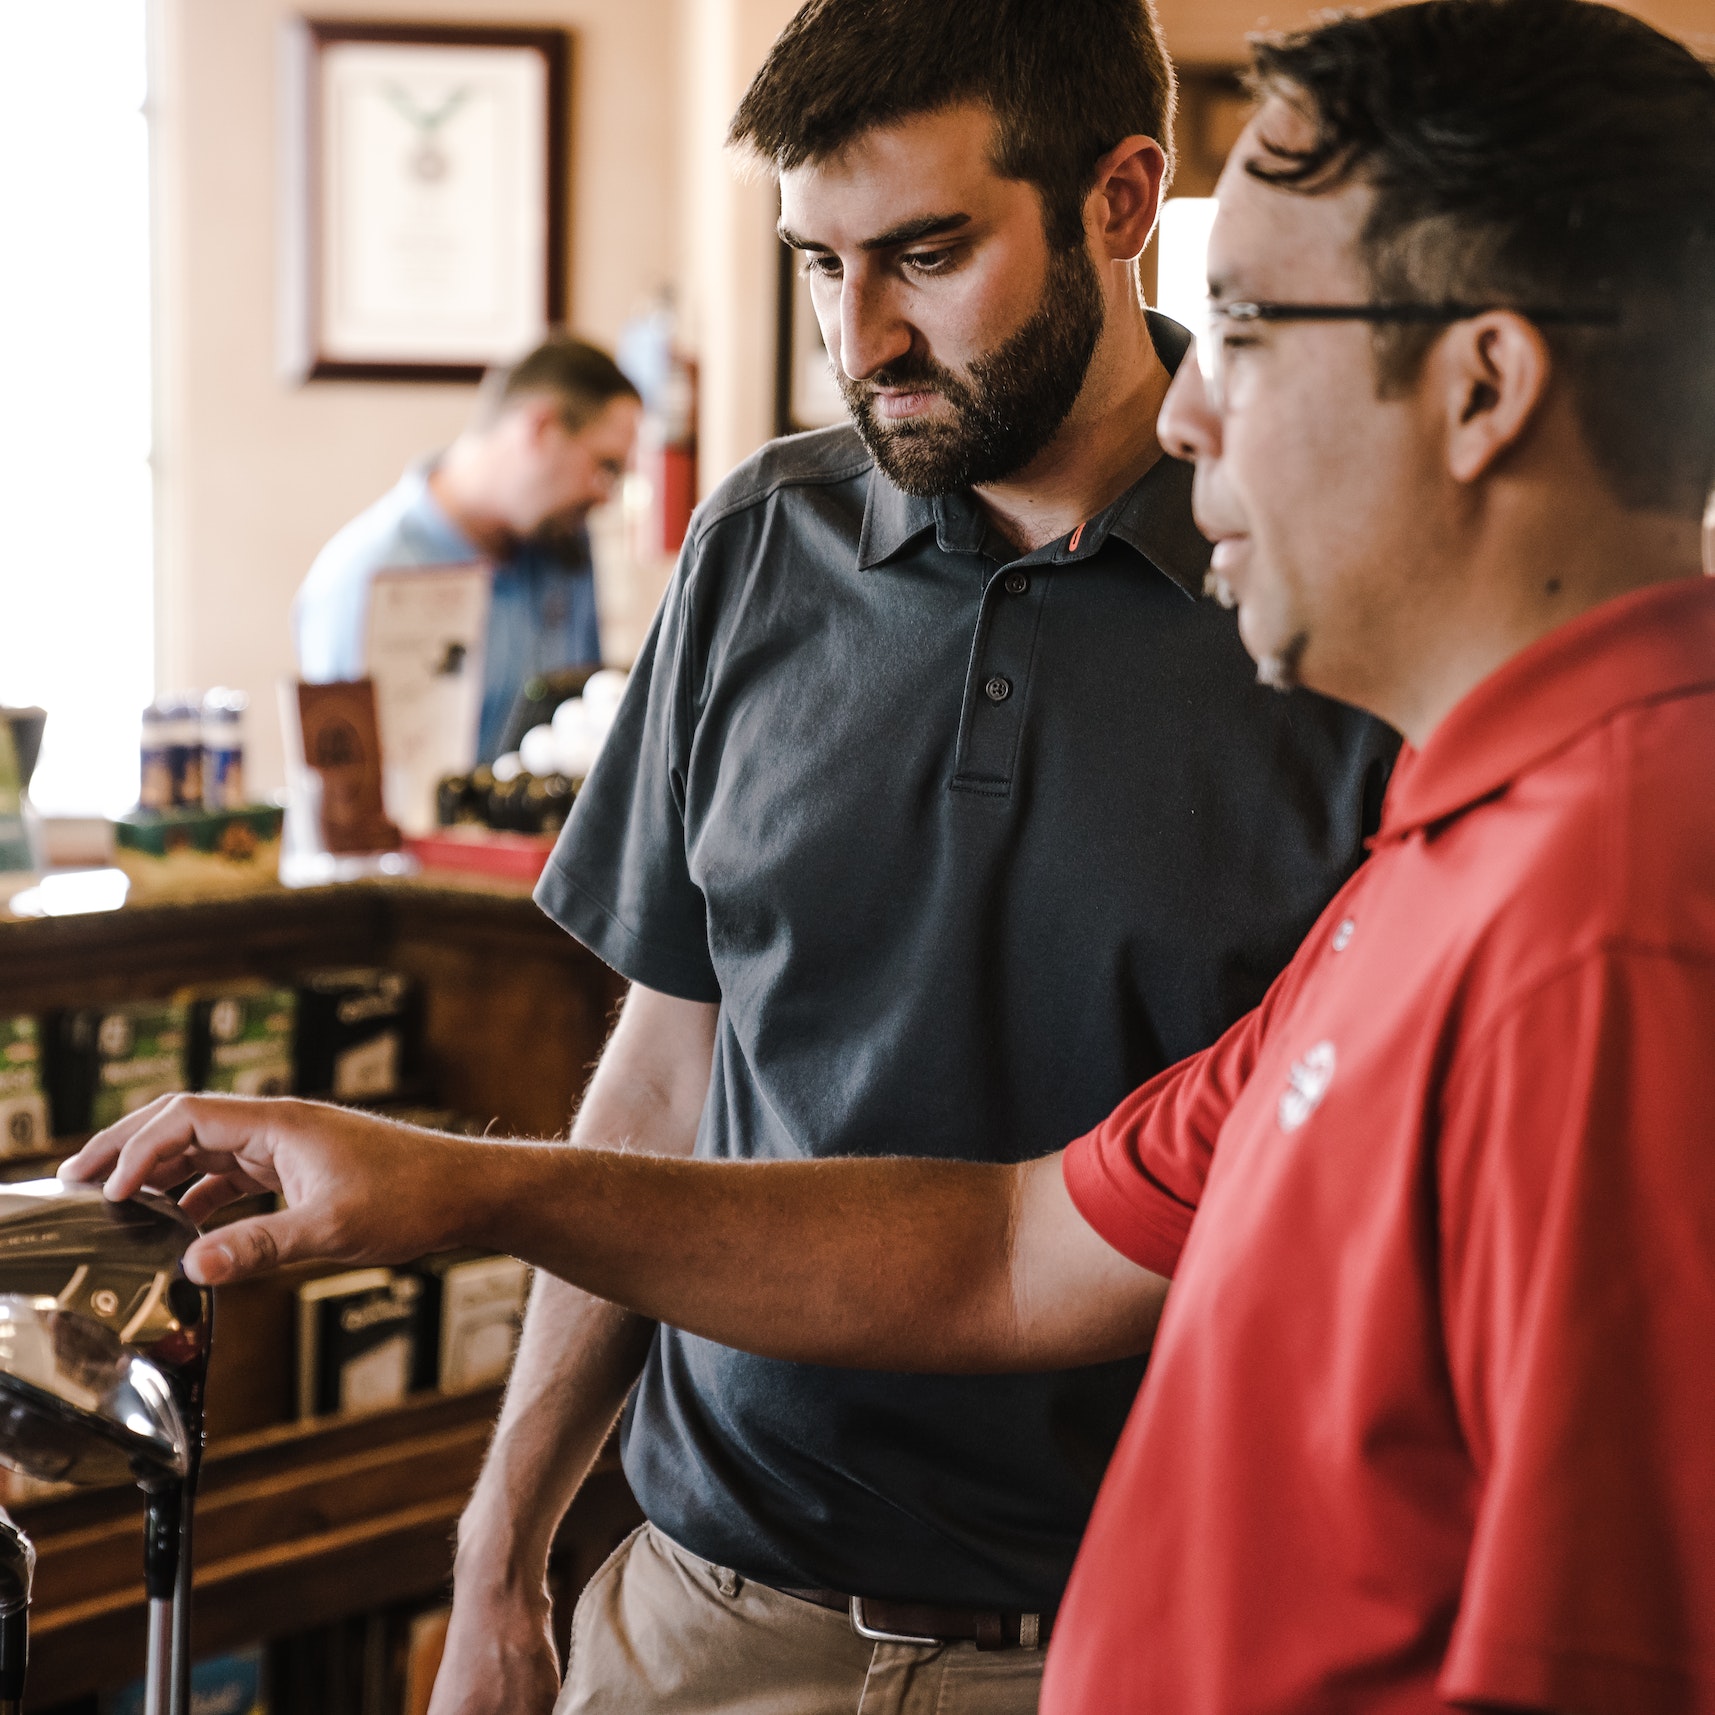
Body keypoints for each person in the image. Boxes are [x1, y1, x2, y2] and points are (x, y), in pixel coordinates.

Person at [70, 1, 1715, 1710]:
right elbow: (1007, 1254)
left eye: (1253, 331)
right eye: (818, 263)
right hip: (715, 1586)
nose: (1201, 413)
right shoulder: (1444, 872)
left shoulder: (1603, 925)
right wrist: (456, 1229)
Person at [292, 334, 641, 762]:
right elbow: (346, 800)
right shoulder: (364, 577)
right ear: (541, 428)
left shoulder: (566, 548)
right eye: (605, 467)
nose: (605, 496)